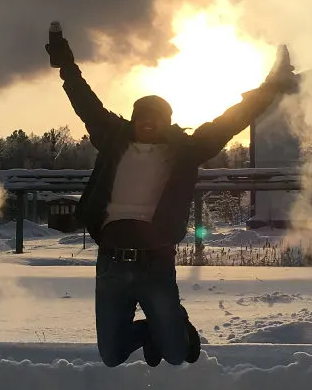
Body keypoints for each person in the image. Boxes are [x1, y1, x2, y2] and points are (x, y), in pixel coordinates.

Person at [45, 23, 297, 367]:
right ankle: (157, 328)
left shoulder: (185, 151)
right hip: (111, 265)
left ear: (167, 122)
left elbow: (231, 121)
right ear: (133, 119)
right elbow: (84, 100)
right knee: (112, 355)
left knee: (178, 355)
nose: (148, 122)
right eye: (142, 116)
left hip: (156, 263)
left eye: (157, 118)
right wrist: (65, 65)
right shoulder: (112, 137)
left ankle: (172, 326)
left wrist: (268, 88)